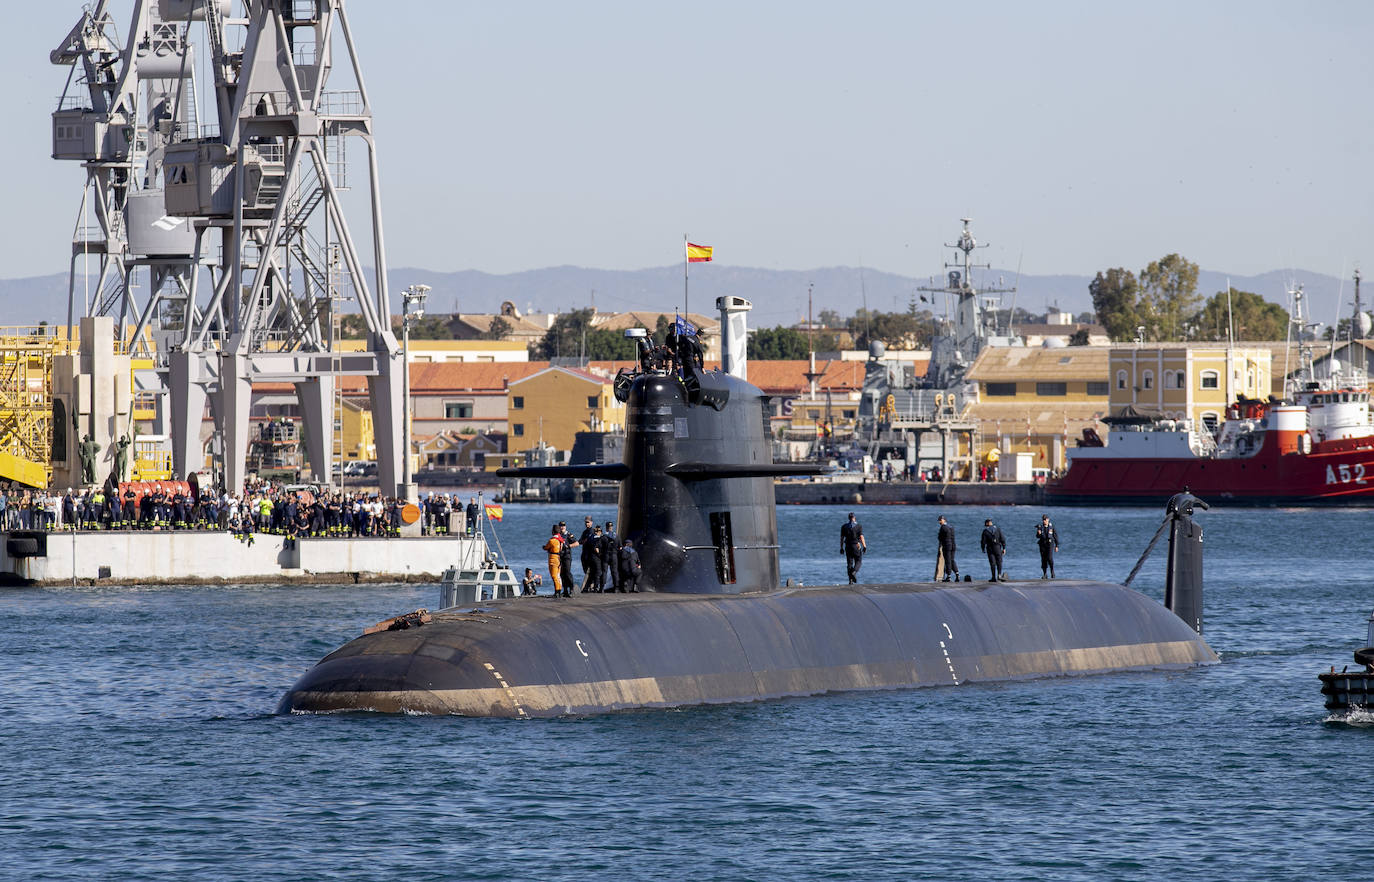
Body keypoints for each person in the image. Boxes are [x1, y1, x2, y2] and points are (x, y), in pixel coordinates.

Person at [840, 511, 866, 584]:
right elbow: (861, 537)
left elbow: (842, 538)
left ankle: (850, 580)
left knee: (849, 563)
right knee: (858, 561)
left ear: (848, 518)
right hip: (856, 546)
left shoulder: (844, 526)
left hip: (847, 546)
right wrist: (864, 546)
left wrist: (841, 548)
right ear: (854, 518)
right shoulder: (859, 526)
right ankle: (854, 572)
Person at [542, 524, 566, 597]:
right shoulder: (560, 540)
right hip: (559, 558)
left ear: (553, 531)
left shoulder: (552, 540)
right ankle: (558, 590)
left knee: (554, 576)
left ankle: (556, 592)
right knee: (558, 576)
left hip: (553, 558)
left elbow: (546, 547)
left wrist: (544, 547)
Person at [579, 516, 601, 592]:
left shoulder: (592, 531)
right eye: (585, 522)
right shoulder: (585, 532)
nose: (586, 524)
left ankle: (591, 587)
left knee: (591, 572)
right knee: (586, 571)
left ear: (591, 522)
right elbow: (580, 541)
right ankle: (590, 586)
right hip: (584, 554)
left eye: (588, 522)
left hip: (590, 555)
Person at [1035, 514, 1060, 579]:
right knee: (1043, 559)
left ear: (1048, 519)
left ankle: (1052, 571)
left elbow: (1055, 536)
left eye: (1045, 519)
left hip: (1050, 544)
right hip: (1042, 544)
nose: (1044, 521)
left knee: (1049, 558)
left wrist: (1057, 545)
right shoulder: (1040, 527)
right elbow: (1037, 537)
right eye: (1043, 520)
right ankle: (1045, 574)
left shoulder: (1052, 527)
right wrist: (1038, 533)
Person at [937, 515, 960, 582]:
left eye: (940, 520)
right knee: (952, 560)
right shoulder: (951, 527)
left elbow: (940, 538)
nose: (939, 522)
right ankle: (957, 574)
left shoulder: (943, 528)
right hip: (953, 545)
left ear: (944, 520)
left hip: (946, 546)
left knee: (948, 561)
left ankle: (949, 576)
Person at [557, 521, 577, 596]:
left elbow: (576, 543)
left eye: (563, 526)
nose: (562, 527)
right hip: (560, 556)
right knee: (562, 574)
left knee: (567, 572)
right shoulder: (558, 535)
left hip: (567, 556)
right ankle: (565, 590)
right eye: (561, 526)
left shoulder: (569, 535)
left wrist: (568, 546)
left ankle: (571, 589)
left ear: (565, 527)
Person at [600, 521, 619, 592]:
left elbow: (599, 546)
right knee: (614, 572)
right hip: (614, 556)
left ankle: (601, 588)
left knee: (604, 571)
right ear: (612, 527)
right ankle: (616, 588)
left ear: (606, 528)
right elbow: (620, 547)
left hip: (605, 556)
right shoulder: (616, 536)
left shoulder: (603, 537)